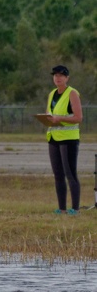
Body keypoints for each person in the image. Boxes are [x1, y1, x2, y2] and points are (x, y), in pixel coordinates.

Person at [45, 64, 82, 214]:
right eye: (55, 75)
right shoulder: (52, 94)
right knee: (58, 174)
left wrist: (59, 118)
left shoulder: (72, 93)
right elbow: (50, 114)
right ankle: (62, 208)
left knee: (70, 173)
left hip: (68, 139)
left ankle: (75, 208)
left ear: (67, 78)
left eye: (61, 75)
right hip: (54, 137)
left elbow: (78, 117)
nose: (57, 78)